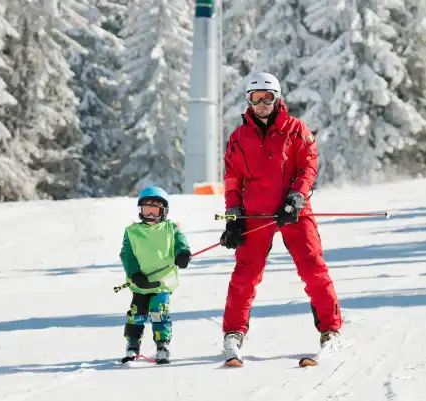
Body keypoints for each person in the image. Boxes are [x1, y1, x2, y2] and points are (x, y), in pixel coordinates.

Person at [219, 72, 343, 365]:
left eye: (268, 98)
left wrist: (296, 198)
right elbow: (232, 179)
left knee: (313, 268)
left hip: (293, 212)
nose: (262, 104)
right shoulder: (238, 138)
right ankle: (233, 333)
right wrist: (233, 216)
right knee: (245, 274)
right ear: (248, 101)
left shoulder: (296, 129)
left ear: (277, 99)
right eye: (256, 98)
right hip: (256, 214)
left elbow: (309, 166)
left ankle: (330, 331)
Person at [119, 186, 192, 364]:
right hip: (140, 283)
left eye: (155, 211)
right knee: (137, 314)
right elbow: (127, 254)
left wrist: (182, 254)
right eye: (146, 211)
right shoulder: (132, 232)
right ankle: (132, 344)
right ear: (140, 211)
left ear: (164, 212)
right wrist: (135, 274)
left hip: (162, 282)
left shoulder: (171, 228)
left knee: (159, 313)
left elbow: (181, 243)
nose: (150, 216)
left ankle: (162, 345)